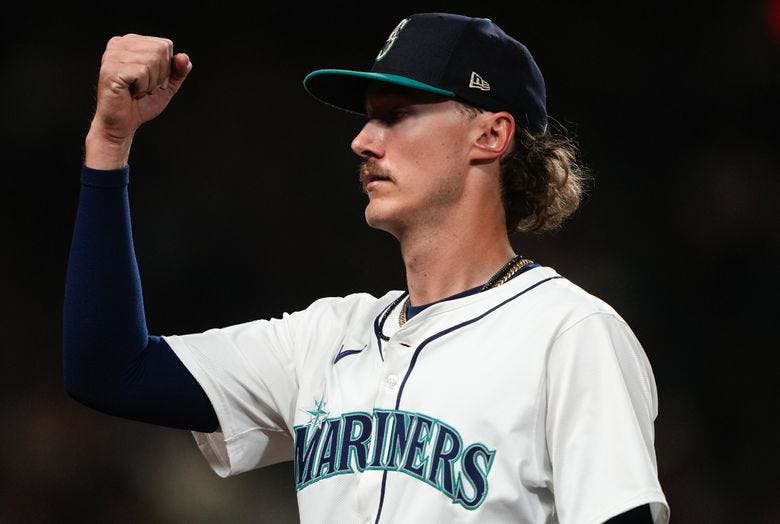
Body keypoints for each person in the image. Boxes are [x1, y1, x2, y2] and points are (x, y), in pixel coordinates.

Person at [63, 12, 670, 524]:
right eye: (368, 117)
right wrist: (109, 145)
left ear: (491, 134)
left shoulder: (568, 334)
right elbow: (109, 370)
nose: (363, 139)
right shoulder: (325, 338)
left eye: (397, 113)